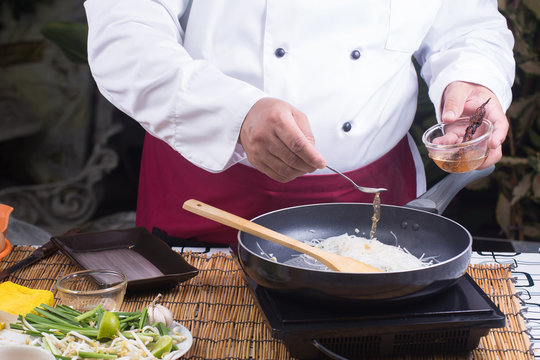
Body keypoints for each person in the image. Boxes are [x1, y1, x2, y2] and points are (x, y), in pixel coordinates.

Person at [84, 1, 515, 246]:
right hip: (209, 185)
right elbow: (125, 34)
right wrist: (233, 111)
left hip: (372, 192)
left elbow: (467, 25)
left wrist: (472, 81)